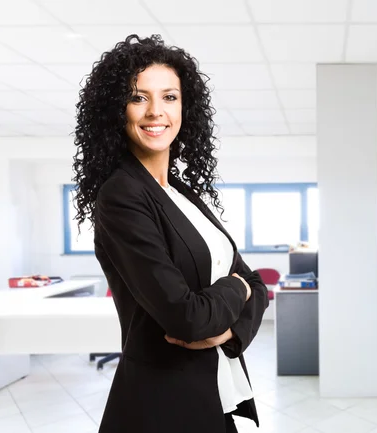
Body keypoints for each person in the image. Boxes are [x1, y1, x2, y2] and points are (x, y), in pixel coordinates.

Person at [72, 34, 269, 433]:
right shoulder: (122, 194)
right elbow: (188, 319)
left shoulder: (180, 191)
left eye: (169, 97)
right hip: (160, 404)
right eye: (139, 97)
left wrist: (231, 324)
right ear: (117, 109)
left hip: (211, 391)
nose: (155, 112)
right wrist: (240, 291)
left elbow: (255, 281)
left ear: (185, 107)